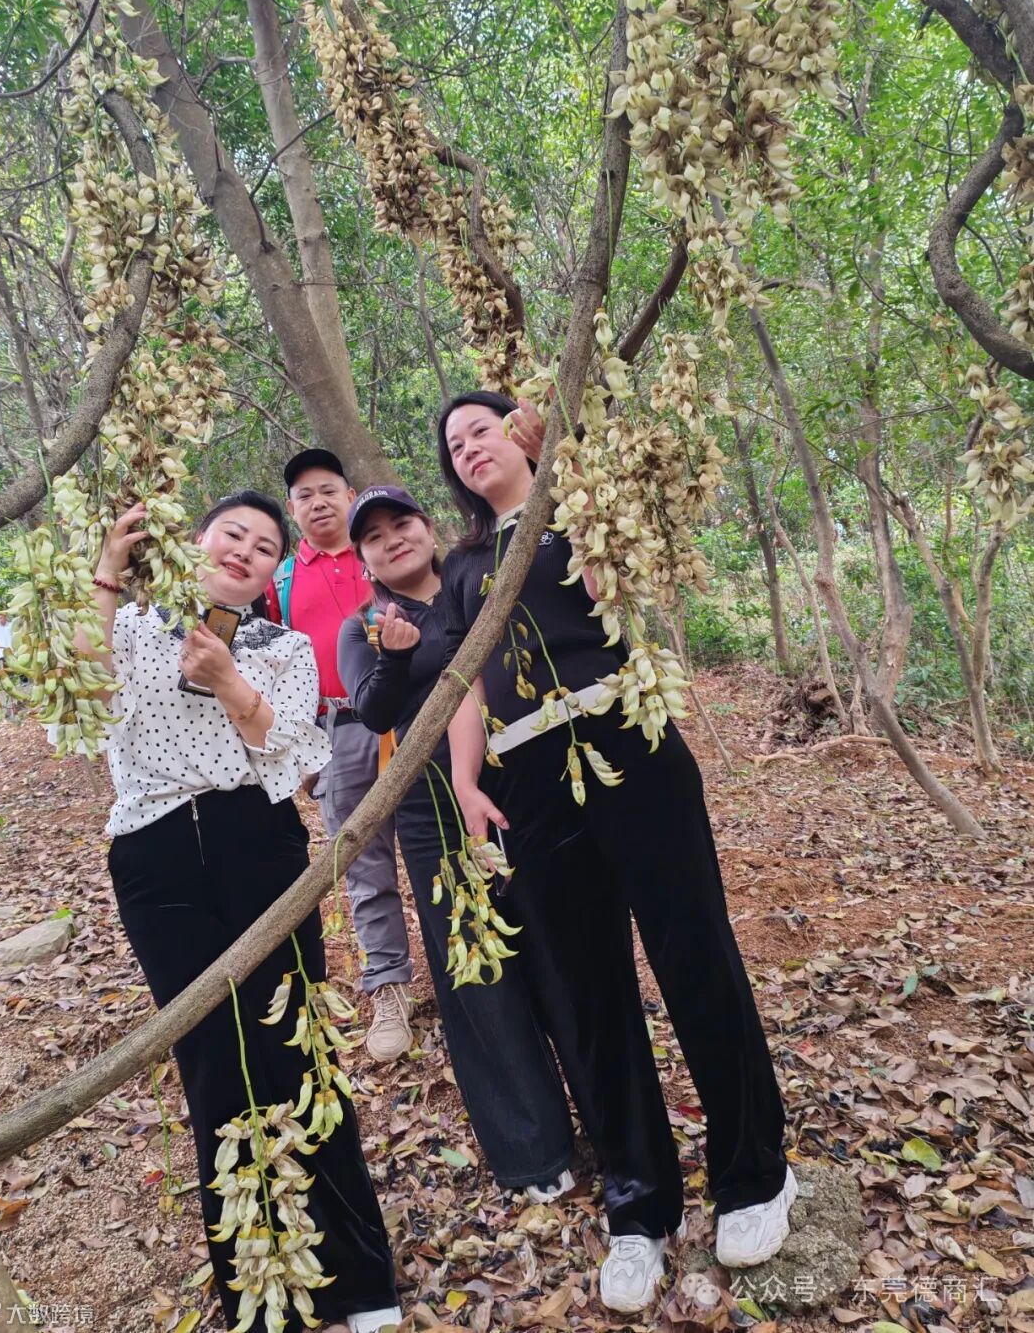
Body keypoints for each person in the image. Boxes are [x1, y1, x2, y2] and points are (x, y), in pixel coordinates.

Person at [436, 392, 794, 1315]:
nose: (468, 448)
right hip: (530, 775)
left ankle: (755, 1172)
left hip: (626, 737)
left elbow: (612, 588)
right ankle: (640, 1206)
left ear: (519, 435)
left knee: (693, 953)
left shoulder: (574, 509)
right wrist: (467, 783)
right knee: (588, 992)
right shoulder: (464, 565)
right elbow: (468, 679)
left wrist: (569, 474)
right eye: (453, 445)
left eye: (480, 429)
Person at [82, 491, 400, 1333]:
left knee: (298, 1045)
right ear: (195, 543)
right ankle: (263, 1297)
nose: (245, 550)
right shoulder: (133, 626)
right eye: (232, 534)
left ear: (272, 573)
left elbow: (288, 751)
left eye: (264, 546)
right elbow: (79, 691)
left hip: (257, 847)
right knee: (214, 1066)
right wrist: (108, 570)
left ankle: (361, 1280)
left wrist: (228, 680)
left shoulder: (281, 646)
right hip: (154, 860)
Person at [337, 484, 576, 1201]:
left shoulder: (476, 581)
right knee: (476, 971)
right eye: (373, 536)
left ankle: (600, 1114)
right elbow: (371, 710)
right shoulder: (365, 624)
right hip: (432, 808)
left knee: (554, 946)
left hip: (521, 784)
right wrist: (394, 656)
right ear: (364, 560)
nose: (391, 539)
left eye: (401, 523)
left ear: (428, 526)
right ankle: (532, 1151)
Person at [266, 450, 412, 1063]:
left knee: (448, 842)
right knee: (363, 864)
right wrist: (300, 751)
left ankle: (476, 967)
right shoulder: (277, 582)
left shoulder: (384, 549)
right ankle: (391, 990)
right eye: (305, 495)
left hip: (416, 714)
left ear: (350, 495)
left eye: (328, 489)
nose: (318, 502)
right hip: (338, 730)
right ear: (292, 510)